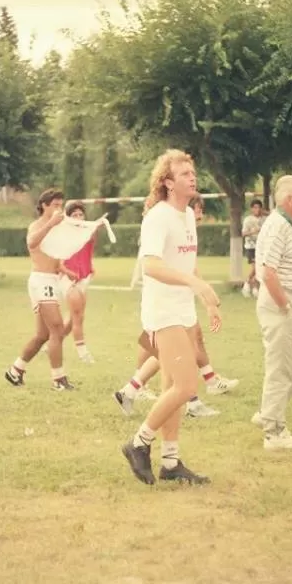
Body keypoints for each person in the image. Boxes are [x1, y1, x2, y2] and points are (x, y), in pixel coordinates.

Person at [121, 149, 221, 486]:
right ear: (167, 182)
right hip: (162, 311)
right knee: (186, 386)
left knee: (171, 388)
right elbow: (151, 264)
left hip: (183, 308)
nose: (192, 178)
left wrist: (205, 296)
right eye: (183, 174)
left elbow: (187, 263)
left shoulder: (188, 216)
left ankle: (170, 461)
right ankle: (138, 443)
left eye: (193, 172)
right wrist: (194, 283)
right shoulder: (159, 217)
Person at [114, 196, 237, 418]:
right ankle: (192, 402)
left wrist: (205, 299)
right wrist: (203, 296)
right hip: (165, 304)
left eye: (200, 210)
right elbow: (154, 266)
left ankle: (130, 390)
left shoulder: (186, 225)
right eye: (197, 209)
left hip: (180, 302)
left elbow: (192, 268)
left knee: (169, 353)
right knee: (180, 352)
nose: (199, 214)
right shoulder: (165, 223)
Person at [251, 175, 292, 450]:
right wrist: (285, 306)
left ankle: (269, 411)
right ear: (290, 200)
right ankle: (274, 433)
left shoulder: (291, 225)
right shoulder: (278, 226)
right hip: (281, 303)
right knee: (280, 368)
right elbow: (268, 272)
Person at [4, 188, 76, 391]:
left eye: (60, 205)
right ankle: (58, 379)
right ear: (44, 205)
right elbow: (32, 243)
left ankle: (16, 370)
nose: (58, 209)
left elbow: (52, 256)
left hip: (51, 280)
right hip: (41, 281)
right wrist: (51, 224)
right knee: (57, 328)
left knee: (42, 335)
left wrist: (64, 269)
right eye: (55, 205)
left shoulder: (58, 227)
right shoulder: (37, 225)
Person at [59, 201, 98, 364]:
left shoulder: (87, 233)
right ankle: (83, 352)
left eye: (80, 214)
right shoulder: (62, 236)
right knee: (77, 316)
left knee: (76, 317)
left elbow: (89, 248)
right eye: (74, 215)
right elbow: (56, 262)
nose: (78, 217)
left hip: (83, 277)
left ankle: (51, 342)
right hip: (68, 277)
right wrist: (68, 273)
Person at [241, 199, 266, 298]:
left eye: (259, 207)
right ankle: (247, 284)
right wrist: (253, 231)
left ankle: (255, 289)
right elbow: (243, 233)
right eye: (255, 207)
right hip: (251, 246)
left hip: (262, 247)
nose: (257, 209)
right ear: (251, 209)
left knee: (259, 268)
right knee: (255, 267)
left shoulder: (264, 219)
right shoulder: (248, 220)